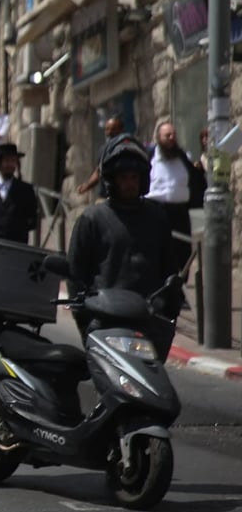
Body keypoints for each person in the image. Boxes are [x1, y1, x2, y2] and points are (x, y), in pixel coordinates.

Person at [68, 134, 181, 361]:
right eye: (123, 178)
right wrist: (86, 320)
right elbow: (75, 274)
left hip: (148, 323)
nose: (130, 183)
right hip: (106, 324)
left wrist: (169, 311)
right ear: (111, 180)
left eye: (134, 177)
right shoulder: (92, 219)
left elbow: (169, 268)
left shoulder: (157, 217)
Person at [145, 119, 198, 274]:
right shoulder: (150, 159)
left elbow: (195, 181)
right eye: (167, 135)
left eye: (173, 135)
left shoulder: (183, 157)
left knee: (183, 254)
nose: (171, 138)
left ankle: (179, 285)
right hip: (157, 211)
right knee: (159, 252)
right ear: (158, 138)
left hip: (180, 214)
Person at [0, 143, 38, 243]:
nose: (10, 165)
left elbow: (32, 219)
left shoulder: (26, 190)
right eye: (6, 161)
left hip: (16, 244)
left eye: (13, 161)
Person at [76, 115, 124, 196]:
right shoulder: (104, 150)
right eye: (107, 129)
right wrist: (86, 186)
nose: (109, 132)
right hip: (107, 196)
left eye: (113, 129)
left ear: (121, 130)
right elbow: (98, 171)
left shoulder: (128, 148)